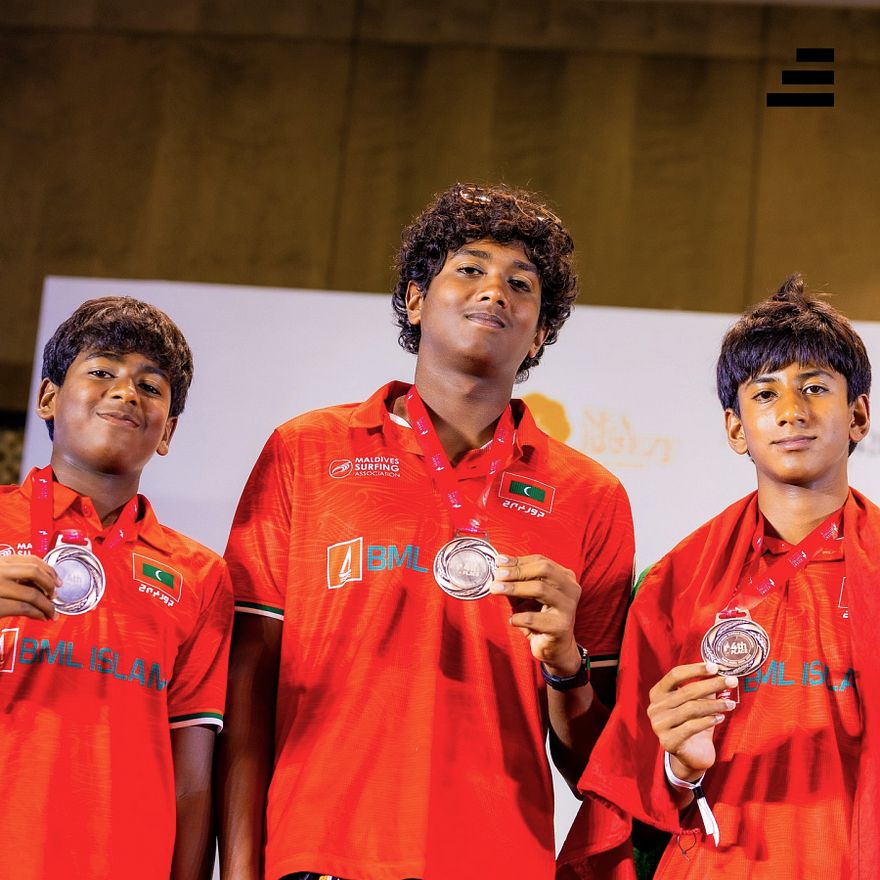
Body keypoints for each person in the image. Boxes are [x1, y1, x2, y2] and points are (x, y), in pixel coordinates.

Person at [217, 183, 636, 880]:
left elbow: (600, 768)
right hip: (319, 856)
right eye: (469, 269)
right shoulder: (306, 450)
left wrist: (567, 665)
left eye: (521, 284)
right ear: (415, 300)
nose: (494, 291)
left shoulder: (591, 496)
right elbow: (247, 686)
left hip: (499, 864)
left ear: (540, 333)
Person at [577, 275, 879, 879]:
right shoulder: (673, 582)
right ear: (736, 428)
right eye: (764, 394)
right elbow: (630, 798)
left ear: (857, 415)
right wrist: (678, 768)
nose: (791, 411)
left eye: (815, 387)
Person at [0, 297, 233, 879]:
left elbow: (192, 779)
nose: (126, 393)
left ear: (167, 431)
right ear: (48, 398)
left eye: (150, 387)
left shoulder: (200, 576)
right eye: (102, 371)